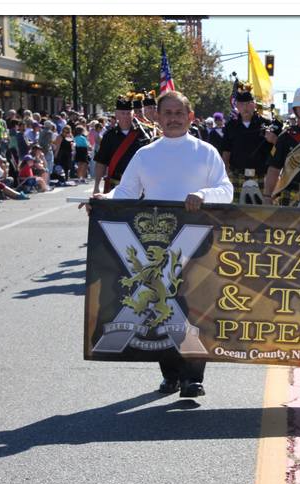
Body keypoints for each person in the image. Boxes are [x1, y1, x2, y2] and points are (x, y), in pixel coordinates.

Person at [82, 90, 233, 398]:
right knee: (158, 306)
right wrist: (103, 200)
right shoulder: (145, 154)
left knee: (190, 306)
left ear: (190, 117)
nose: (174, 118)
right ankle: (171, 373)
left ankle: (193, 376)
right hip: (156, 244)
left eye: (180, 113)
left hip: (195, 240)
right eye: (168, 113)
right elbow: (125, 193)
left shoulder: (206, 152)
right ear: (158, 117)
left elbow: (225, 189)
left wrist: (204, 195)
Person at [222, 83, 276, 205]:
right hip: (237, 175)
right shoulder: (231, 125)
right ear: (237, 106)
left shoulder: (266, 124)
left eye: (248, 104)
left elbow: (277, 151)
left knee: (261, 214)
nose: (245, 107)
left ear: (254, 105)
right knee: (237, 214)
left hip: (262, 175)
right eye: (241, 104)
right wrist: (226, 171)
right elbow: (226, 150)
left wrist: (274, 140)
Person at [93, 94, 152, 193]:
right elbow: (101, 162)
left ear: (133, 115)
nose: (125, 116)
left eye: (128, 113)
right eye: (122, 113)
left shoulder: (144, 134)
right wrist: (96, 186)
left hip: (140, 185)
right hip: (117, 184)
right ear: (116, 115)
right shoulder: (109, 136)